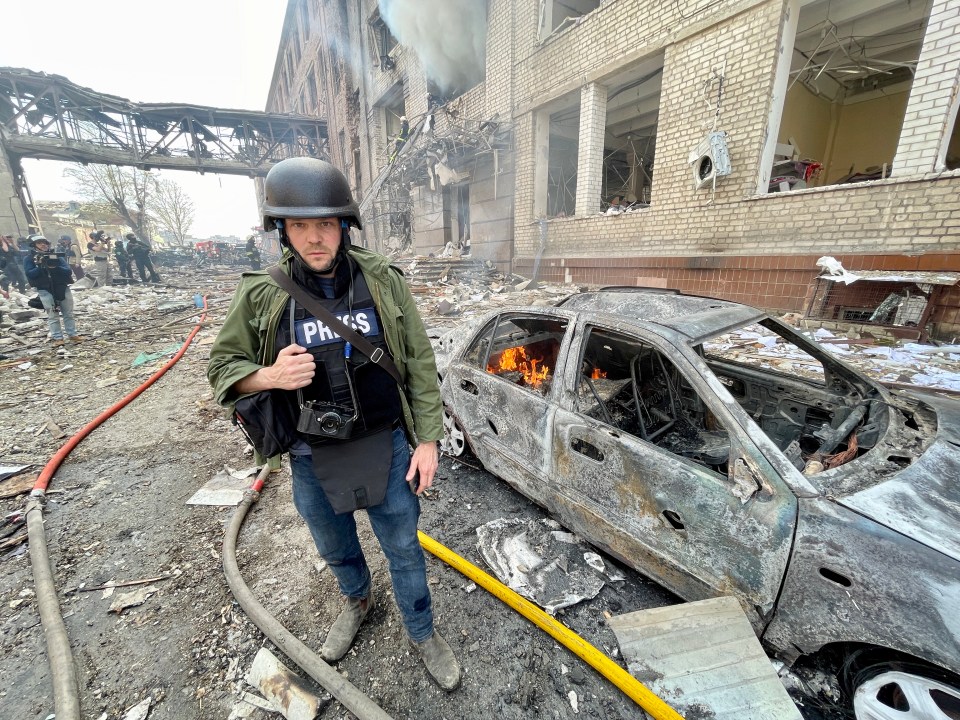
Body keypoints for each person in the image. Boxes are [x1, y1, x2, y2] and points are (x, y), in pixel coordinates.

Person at [207, 157, 460, 691]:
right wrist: (269, 376)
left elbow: (417, 360)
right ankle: (358, 599)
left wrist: (430, 440)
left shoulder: (382, 280)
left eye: (325, 224)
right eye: (300, 226)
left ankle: (422, 630)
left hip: (385, 446)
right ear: (283, 231)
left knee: (404, 546)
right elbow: (222, 368)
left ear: (343, 226)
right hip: (309, 456)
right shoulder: (261, 292)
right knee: (333, 542)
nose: (315, 238)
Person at [24, 234, 81, 345]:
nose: (43, 245)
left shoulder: (55, 256)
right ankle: (58, 338)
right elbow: (30, 274)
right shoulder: (29, 258)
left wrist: (55, 267)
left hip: (62, 287)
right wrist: (41, 266)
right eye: (40, 243)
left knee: (68, 313)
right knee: (53, 315)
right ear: (34, 245)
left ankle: (73, 335)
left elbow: (68, 271)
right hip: (44, 289)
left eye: (45, 242)